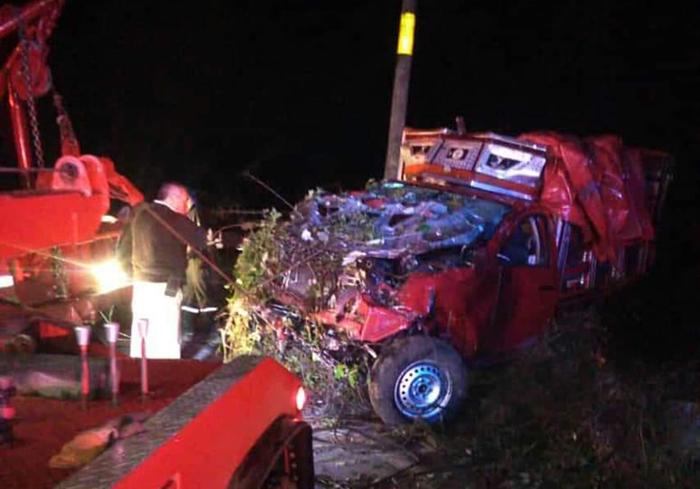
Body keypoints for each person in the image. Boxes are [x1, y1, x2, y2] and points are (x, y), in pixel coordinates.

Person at [117, 182, 206, 359]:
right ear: (173, 197)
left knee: (143, 338)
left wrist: (129, 272)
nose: (187, 205)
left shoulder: (140, 214)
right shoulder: (172, 218)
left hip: (141, 287)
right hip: (166, 290)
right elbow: (202, 238)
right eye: (185, 200)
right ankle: (166, 380)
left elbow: (123, 248)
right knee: (166, 341)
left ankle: (140, 376)